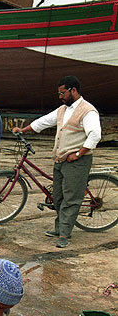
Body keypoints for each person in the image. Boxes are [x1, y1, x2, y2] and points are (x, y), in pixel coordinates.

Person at [13, 75, 101, 248]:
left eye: (63, 93)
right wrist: (23, 129)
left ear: (73, 90)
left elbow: (95, 134)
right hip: (61, 160)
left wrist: (78, 153)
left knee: (71, 198)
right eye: (59, 93)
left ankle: (65, 234)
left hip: (76, 161)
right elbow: (44, 121)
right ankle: (59, 227)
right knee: (58, 197)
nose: (60, 96)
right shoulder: (63, 109)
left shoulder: (87, 111)